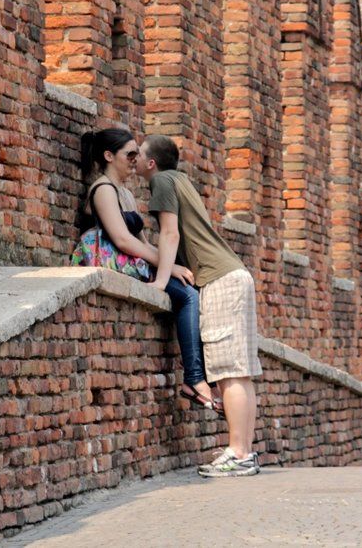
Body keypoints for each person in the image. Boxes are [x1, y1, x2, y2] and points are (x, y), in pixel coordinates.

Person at [136, 134, 262, 477]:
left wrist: (161, 281)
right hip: (235, 275)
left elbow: (170, 233)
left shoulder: (162, 180)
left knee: (227, 372)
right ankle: (245, 452)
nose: (134, 159)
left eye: (139, 154)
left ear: (151, 162)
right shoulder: (180, 180)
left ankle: (237, 453)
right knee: (240, 372)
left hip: (219, 279)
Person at [72, 128, 219, 413]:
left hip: (135, 265)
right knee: (188, 296)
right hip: (118, 265)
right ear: (109, 156)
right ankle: (194, 378)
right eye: (130, 154)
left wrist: (169, 266)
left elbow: (143, 242)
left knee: (191, 290)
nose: (135, 160)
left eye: (137, 154)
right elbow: (122, 240)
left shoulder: (126, 194)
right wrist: (169, 266)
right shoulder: (103, 190)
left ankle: (204, 378)